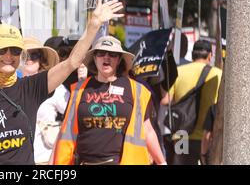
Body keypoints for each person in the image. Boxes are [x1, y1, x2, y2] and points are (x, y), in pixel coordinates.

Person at [0, 0, 124, 165]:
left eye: (15, 50)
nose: (9, 56)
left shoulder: (31, 87)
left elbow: (72, 62)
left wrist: (93, 26)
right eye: (2, 50)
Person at [51, 35, 167, 165]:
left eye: (112, 54)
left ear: (118, 60)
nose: (106, 57)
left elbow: (148, 129)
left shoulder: (136, 90)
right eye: (101, 53)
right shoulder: (79, 89)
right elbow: (65, 130)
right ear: (94, 58)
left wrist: (162, 162)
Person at [161, 40, 222, 165]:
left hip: (181, 135)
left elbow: (166, 100)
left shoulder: (179, 71)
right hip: (207, 137)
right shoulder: (217, 74)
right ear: (210, 55)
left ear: (193, 54)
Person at [19, 36, 60, 164]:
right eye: (24, 55)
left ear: (41, 59)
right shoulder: (10, 88)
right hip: (17, 159)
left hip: (45, 158)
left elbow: (72, 115)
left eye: (34, 55)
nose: (29, 59)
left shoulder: (54, 86)